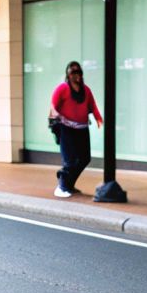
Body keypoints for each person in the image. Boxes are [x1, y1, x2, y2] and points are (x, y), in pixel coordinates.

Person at [48, 61, 102, 197]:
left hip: (82, 128)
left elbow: (92, 105)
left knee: (84, 158)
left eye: (79, 72)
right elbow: (53, 105)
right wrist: (55, 114)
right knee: (70, 160)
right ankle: (61, 186)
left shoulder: (86, 90)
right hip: (66, 128)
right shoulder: (62, 88)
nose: (77, 75)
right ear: (68, 74)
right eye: (73, 72)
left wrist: (98, 118)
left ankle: (69, 184)